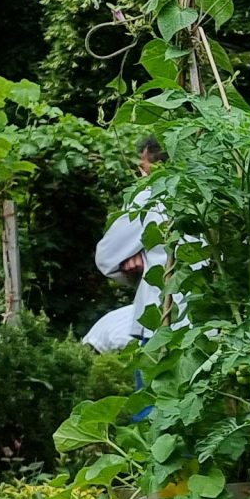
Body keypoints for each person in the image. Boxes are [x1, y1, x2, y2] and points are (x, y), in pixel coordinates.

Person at [83, 138, 179, 352]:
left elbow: (107, 257)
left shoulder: (150, 196)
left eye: (143, 165)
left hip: (160, 320)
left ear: (158, 166)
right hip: (206, 326)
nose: (139, 172)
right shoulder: (212, 194)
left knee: (156, 380)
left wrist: (137, 265)